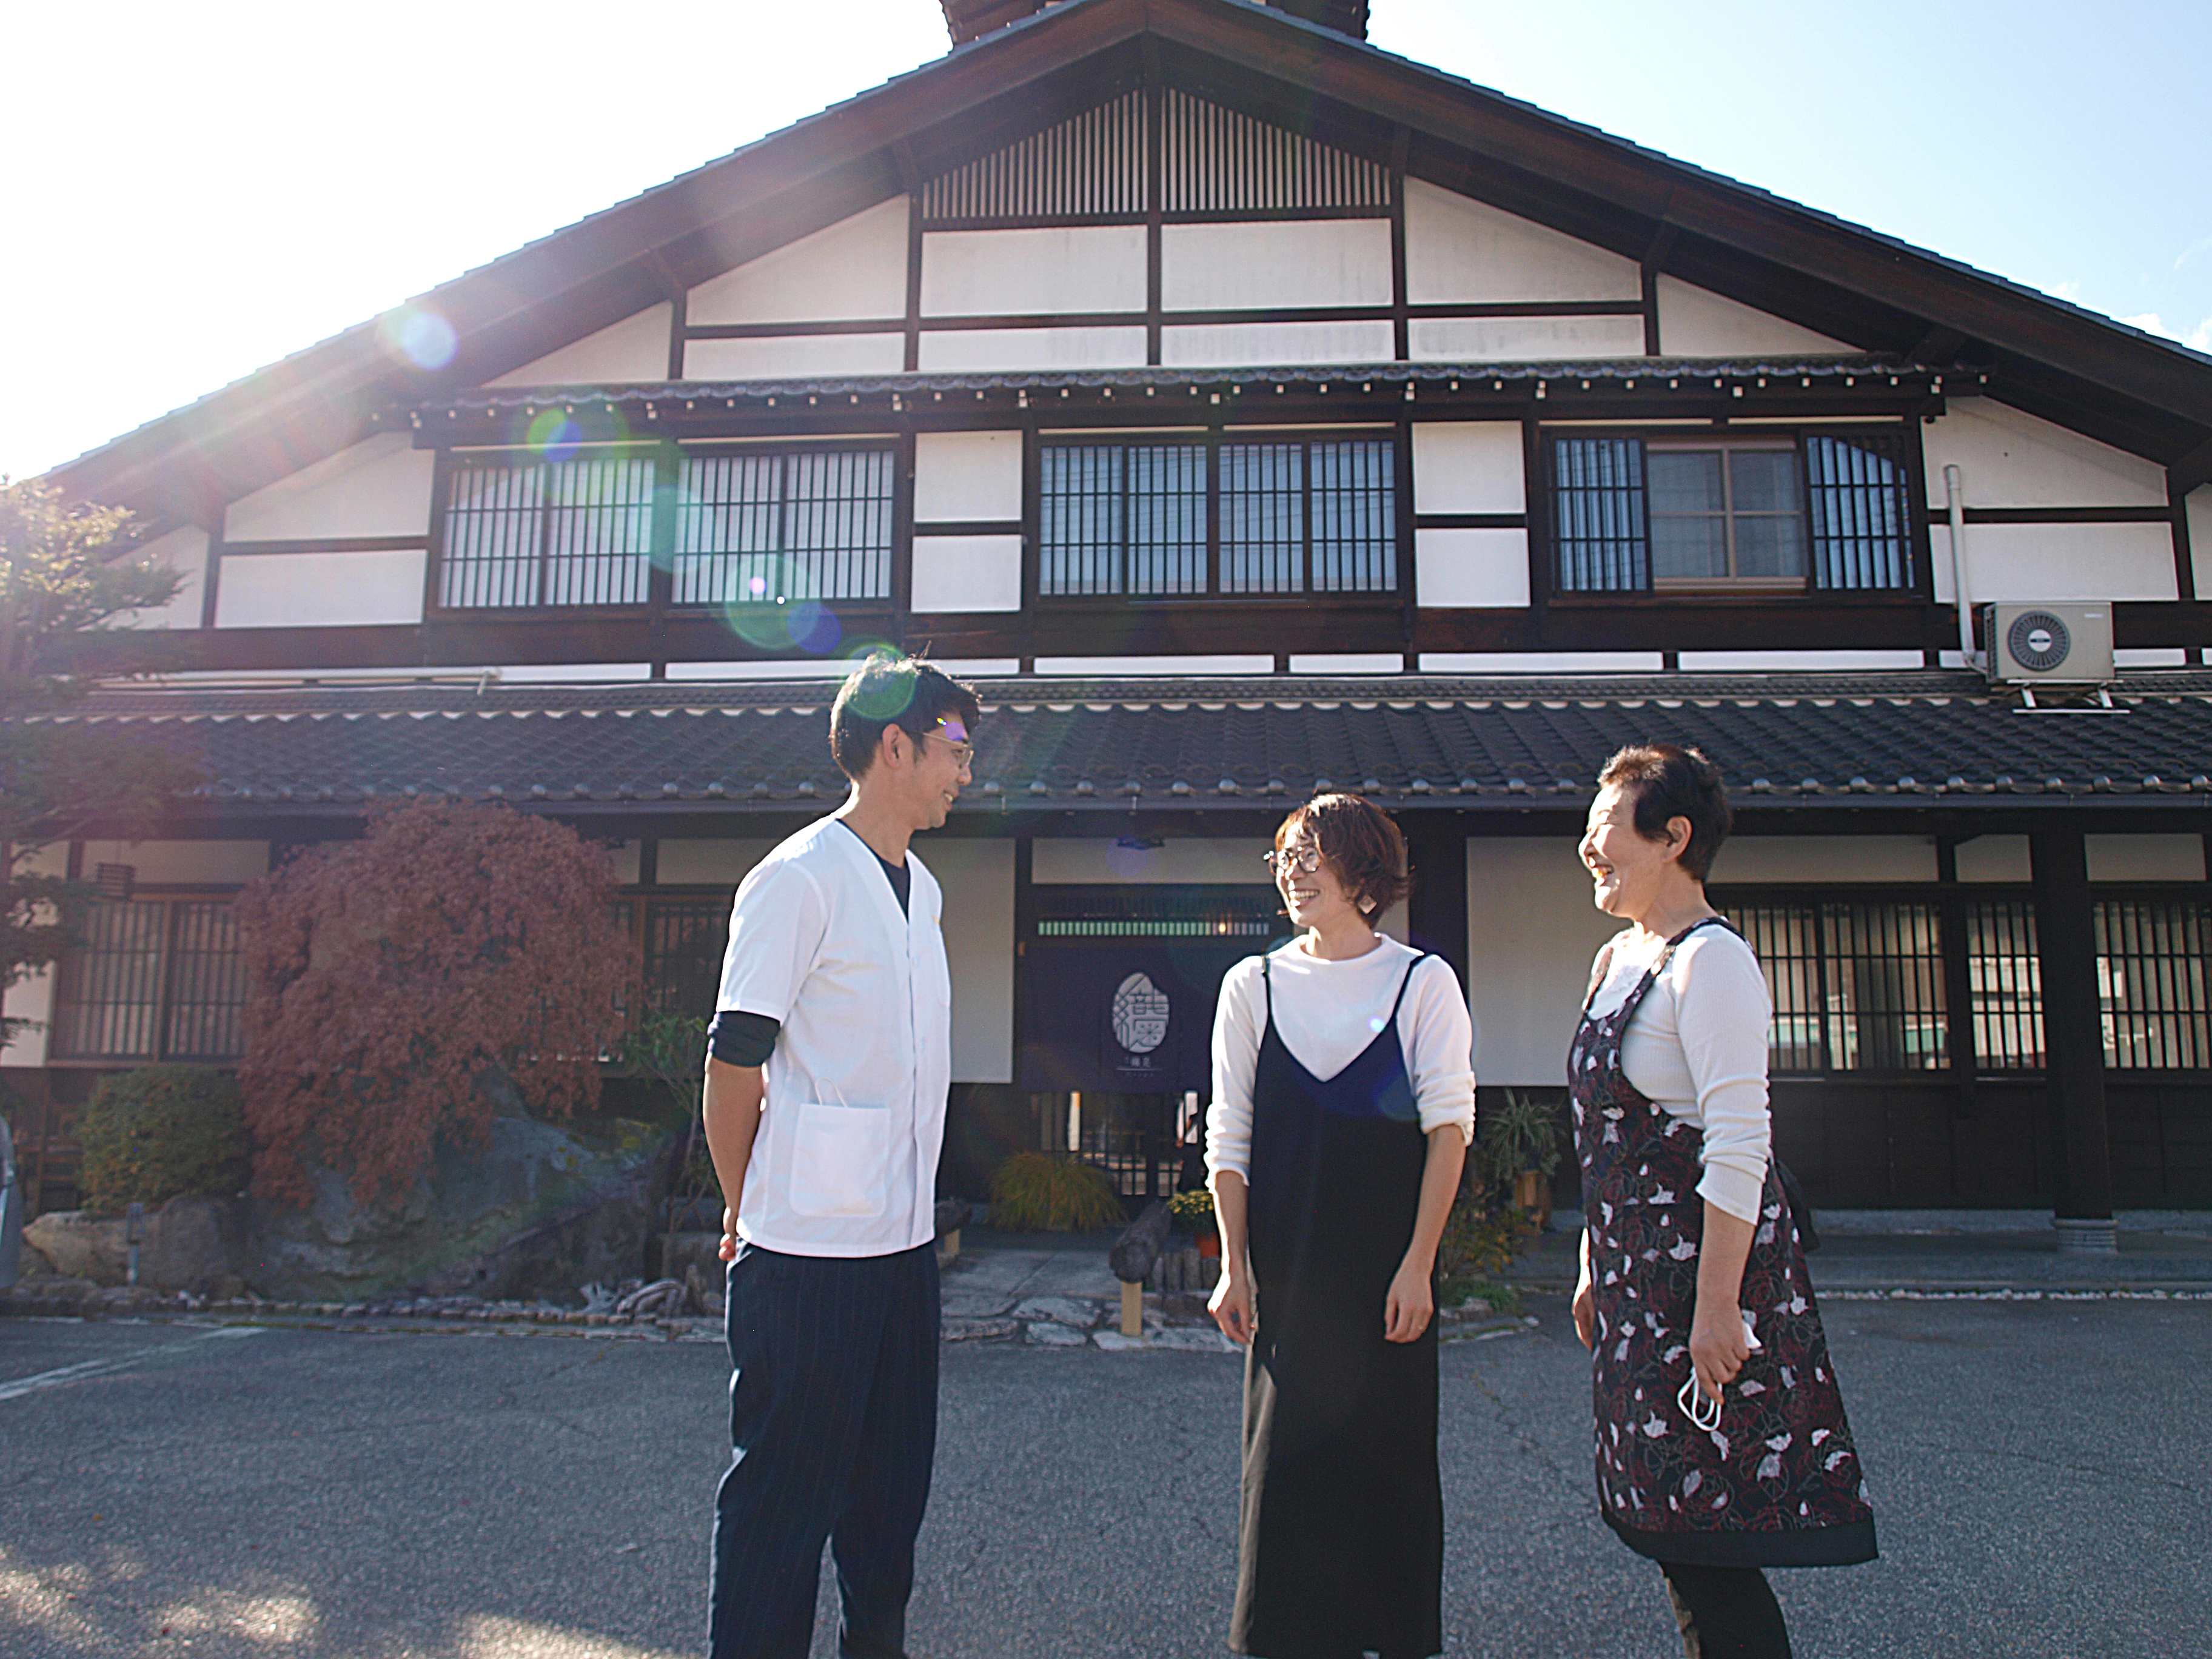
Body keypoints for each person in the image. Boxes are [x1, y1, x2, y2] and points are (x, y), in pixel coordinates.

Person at [701, 652, 979, 1659]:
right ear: (892, 745)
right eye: (954, 746)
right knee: (784, 1501)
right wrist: (746, 1205)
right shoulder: (796, 877)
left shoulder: (927, 890)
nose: (965, 768)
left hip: (904, 1243)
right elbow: (734, 1064)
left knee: (889, 1500)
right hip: (807, 1249)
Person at [1570, 743, 1875, 1659]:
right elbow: (1610, 1141)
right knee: (1676, 1530)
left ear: (1673, 838)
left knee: (1711, 1541)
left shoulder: (1714, 964)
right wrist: (1593, 1262)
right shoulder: (1617, 958)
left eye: (1603, 827)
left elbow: (1743, 1147)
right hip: (1637, 1292)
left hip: (1697, 1293)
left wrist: (1715, 1310)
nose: (1587, 845)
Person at [1206, 793, 1475, 1659]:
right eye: (1283, 855)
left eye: (1310, 853)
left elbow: (1451, 1128)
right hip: (1288, 1283)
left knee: (1387, 1487)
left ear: (1365, 874)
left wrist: (1420, 1265)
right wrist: (1233, 1266)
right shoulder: (1253, 984)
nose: (1291, 870)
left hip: (1387, 1287)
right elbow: (1229, 1135)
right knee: (1283, 1483)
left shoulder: (1421, 981)